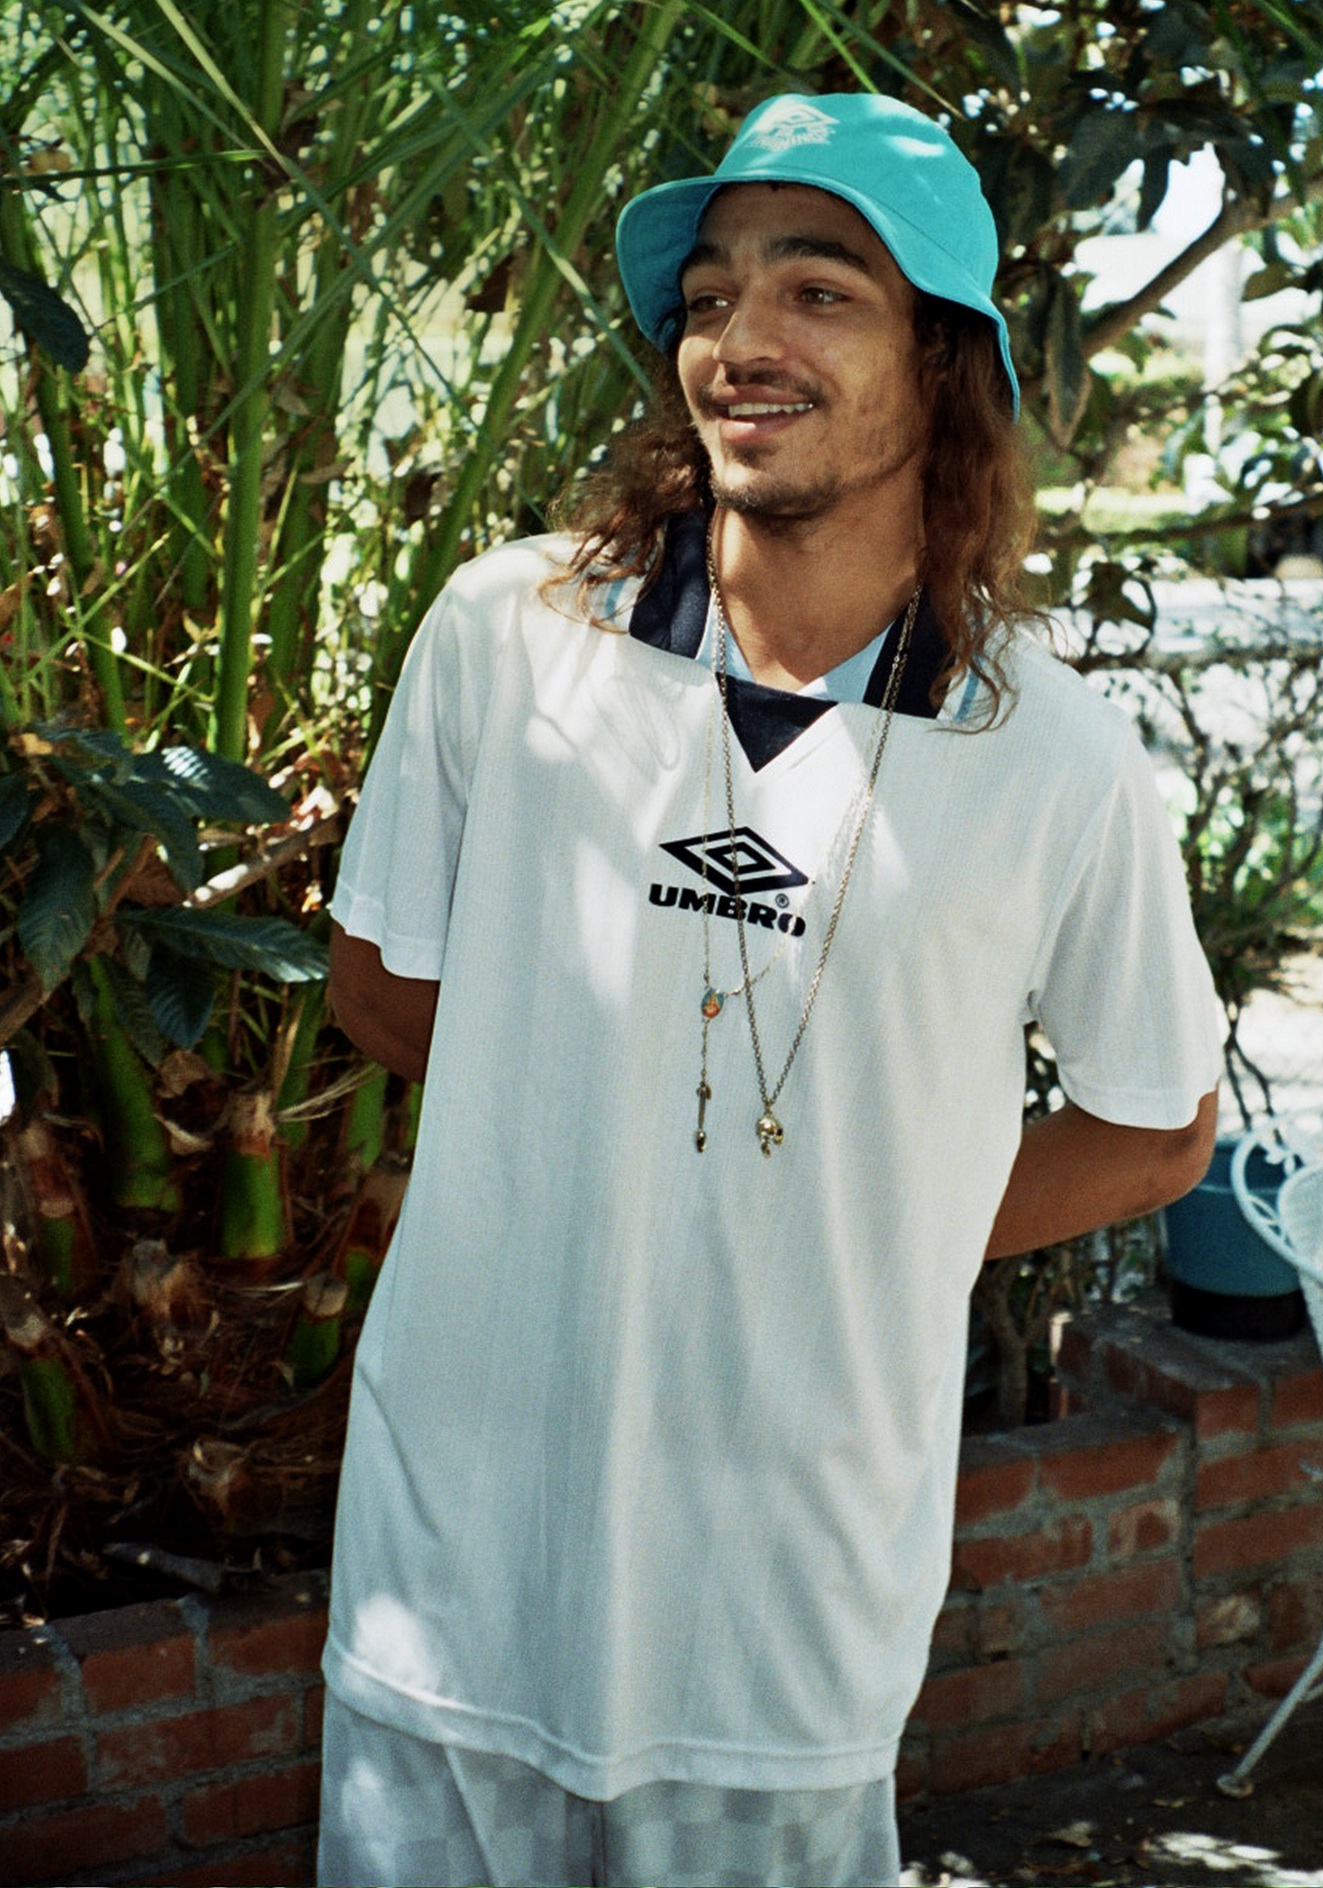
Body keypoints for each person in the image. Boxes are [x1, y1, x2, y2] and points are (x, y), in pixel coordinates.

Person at [317, 91, 1221, 1888]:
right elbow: (379, 983)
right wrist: (595, 1138)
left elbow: (1156, 1125)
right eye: (713, 294)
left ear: (942, 363)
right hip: (454, 1560)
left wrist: (861, 1223)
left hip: (784, 1606)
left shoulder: (1048, 751)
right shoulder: (510, 637)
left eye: (820, 291)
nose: (743, 337)